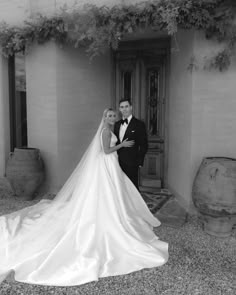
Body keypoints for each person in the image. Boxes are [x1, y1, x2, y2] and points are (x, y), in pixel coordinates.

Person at [0, 108, 168, 287]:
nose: (112, 118)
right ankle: (108, 217)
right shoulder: (105, 131)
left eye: (114, 116)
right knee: (107, 193)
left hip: (111, 165)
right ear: (104, 117)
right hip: (107, 164)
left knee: (114, 193)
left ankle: (117, 215)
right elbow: (106, 150)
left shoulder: (110, 130)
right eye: (109, 116)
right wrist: (122, 145)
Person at [114, 99, 148, 189]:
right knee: (120, 187)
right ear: (119, 109)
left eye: (126, 106)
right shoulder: (117, 125)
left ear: (131, 107)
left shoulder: (139, 124)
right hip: (117, 161)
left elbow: (144, 144)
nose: (124, 109)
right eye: (122, 107)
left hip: (132, 162)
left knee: (132, 188)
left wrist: (139, 162)